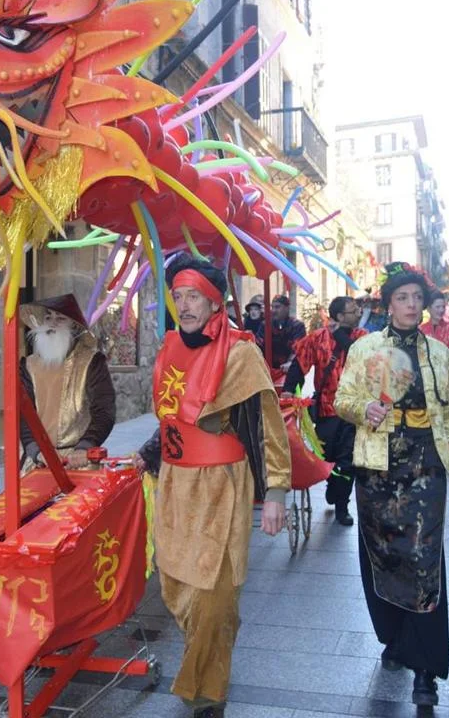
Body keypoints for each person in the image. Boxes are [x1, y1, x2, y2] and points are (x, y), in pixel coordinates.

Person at [135, 255, 289, 718]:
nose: (184, 306)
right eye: (178, 296)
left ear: (215, 301)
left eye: (194, 297)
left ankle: (208, 692)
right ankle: (205, 661)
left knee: (214, 594)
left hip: (221, 487)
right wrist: (150, 453)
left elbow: (266, 426)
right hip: (175, 485)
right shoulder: (168, 349)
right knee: (178, 585)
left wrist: (276, 492)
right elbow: (171, 418)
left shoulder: (240, 354)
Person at [334, 262, 449, 708]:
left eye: (417, 297)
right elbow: (342, 399)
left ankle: (425, 669)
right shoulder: (365, 348)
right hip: (378, 468)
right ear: (389, 305)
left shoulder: (441, 354)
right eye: (402, 298)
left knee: (424, 560)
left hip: (426, 464)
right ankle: (393, 638)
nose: (412, 305)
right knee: (383, 555)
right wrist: (364, 410)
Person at [282, 295, 367, 526]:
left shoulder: (363, 337)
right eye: (353, 311)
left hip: (354, 411)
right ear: (339, 316)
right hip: (327, 411)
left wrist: (340, 335)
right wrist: (288, 390)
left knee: (348, 461)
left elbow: (360, 356)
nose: (359, 313)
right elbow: (299, 364)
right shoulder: (317, 338)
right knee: (328, 457)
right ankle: (333, 484)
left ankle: (342, 506)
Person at [19, 294, 116, 469]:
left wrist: (85, 446)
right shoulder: (28, 365)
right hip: (38, 461)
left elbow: (104, 411)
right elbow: (23, 413)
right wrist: (35, 450)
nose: (52, 323)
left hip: (78, 461)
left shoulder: (92, 362)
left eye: (60, 318)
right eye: (48, 317)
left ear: (74, 326)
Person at [255, 294, 306, 373]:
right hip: (268, 370)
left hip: (290, 370)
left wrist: (291, 362)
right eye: (273, 307)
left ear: (287, 308)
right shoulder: (266, 325)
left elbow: (299, 348)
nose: (274, 310)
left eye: (277, 307)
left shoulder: (297, 326)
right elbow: (258, 344)